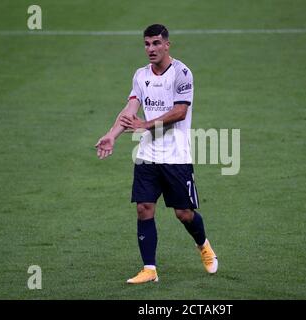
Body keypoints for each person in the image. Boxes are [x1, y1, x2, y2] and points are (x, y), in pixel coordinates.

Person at [95, 24, 217, 284]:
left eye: (156, 43)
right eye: (147, 44)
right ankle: (149, 269)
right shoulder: (140, 75)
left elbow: (179, 112)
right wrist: (111, 135)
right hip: (147, 155)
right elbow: (130, 110)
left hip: (176, 156)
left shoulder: (182, 73)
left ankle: (203, 245)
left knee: (183, 213)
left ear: (167, 45)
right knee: (143, 208)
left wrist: (145, 125)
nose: (151, 49)